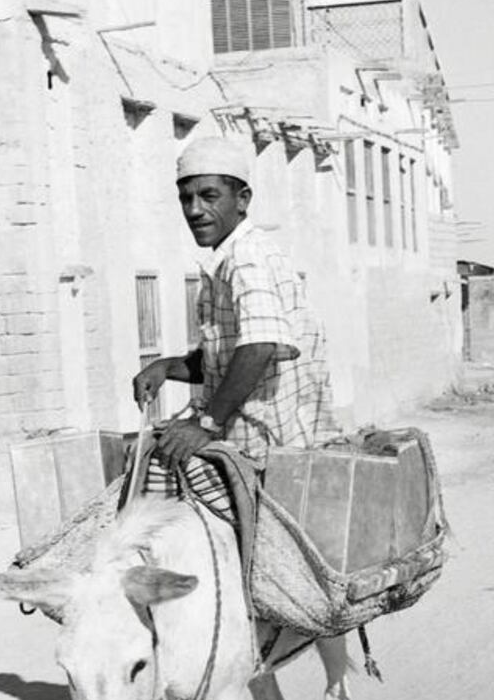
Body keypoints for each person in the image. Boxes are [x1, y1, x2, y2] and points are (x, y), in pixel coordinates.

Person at [132, 137, 340, 486]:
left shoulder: (246, 256)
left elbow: (259, 347)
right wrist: (166, 367)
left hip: (272, 452)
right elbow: (226, 358)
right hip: (245, 444)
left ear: (242, 200)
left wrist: (205, 424)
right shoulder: (227, 258)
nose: (194, 210)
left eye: (209, 196)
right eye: (186, 198)